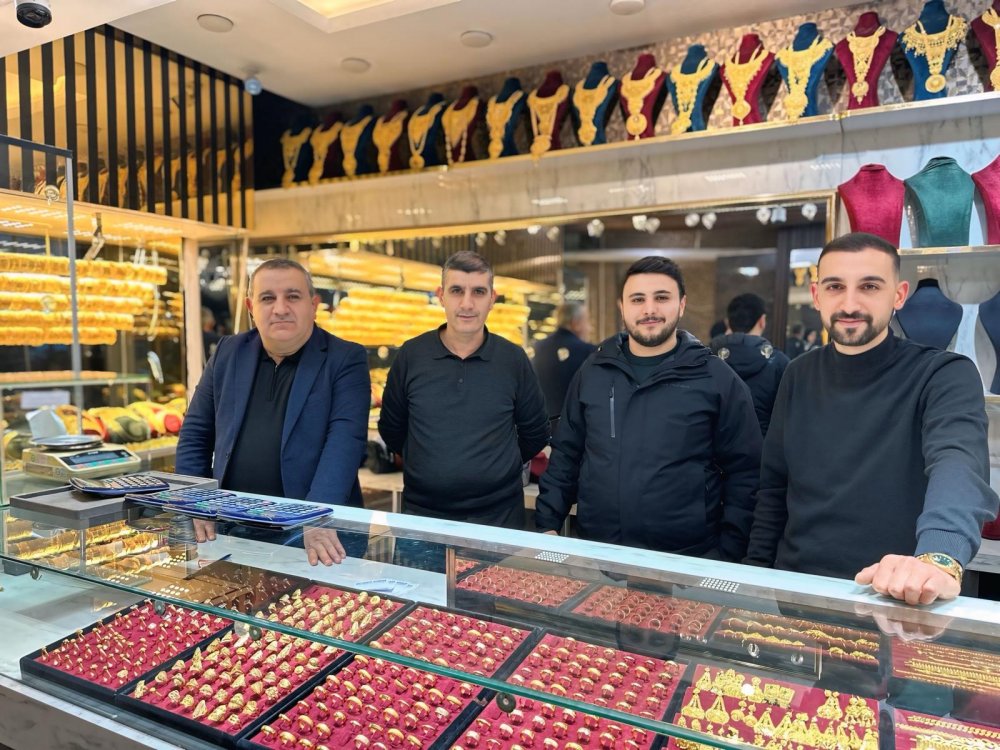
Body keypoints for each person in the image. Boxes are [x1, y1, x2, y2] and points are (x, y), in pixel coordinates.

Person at [745, 232, 998, 604]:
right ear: (817, 295)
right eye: (835, 287)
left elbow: (958, 463)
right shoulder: (797, 374)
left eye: (869, 286)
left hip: (895, 596)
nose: (850, 303)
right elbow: (773, 489)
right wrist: (754, 576)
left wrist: (939, 557)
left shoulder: (943, 374)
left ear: (899, 295)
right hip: (797, 591)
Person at [535, 256, 762, 561]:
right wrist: (547, 524)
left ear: (682, 304)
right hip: (598, 555)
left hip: (685, 561)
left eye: (662, 298)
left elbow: (746, 473)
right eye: (638, 299)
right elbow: (567, 454)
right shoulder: (594, 371)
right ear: (622, 307)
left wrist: (729, 553)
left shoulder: (716, 378)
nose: (649, 309)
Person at [176, 258, 371, 566]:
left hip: (316, 536)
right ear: (251, 307)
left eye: (292, 296)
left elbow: (345, 443)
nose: (280, 308)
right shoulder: (228, 352)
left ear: (313, 305)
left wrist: (316, 518)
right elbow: (196, 432)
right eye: (268, 298)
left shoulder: (345, 358)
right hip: (232, 530)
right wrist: (195, 500)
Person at [378, 250, 549, 529]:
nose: (467, 304)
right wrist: (429, 465)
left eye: (478, 292)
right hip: (422, 515)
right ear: (441, 296)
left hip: (499, 517)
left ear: (492, 299)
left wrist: (496, 467)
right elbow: (392, 429)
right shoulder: (411, 355)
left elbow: (536, 432)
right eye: (457, 290)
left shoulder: (513, 360)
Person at [709, 292, 789, 436]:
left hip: (713, 448)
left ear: (728, 322)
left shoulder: (706, 358)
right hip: (763, 447)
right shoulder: (779, 363)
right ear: (762, 321)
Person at [532, 302, 596, 423]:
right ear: (575, 323)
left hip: (544, 424)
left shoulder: (539, 348)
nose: (590, 328)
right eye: (587, 321)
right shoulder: (588, 352)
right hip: (576, 426)